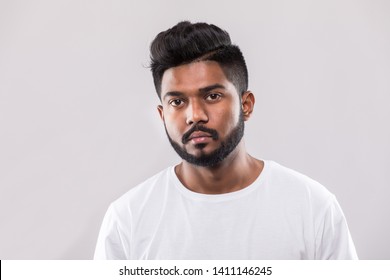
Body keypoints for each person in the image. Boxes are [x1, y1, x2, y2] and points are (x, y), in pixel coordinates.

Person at [94, 21, 358, 260]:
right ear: (162, 115)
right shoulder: (127, 219)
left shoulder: (312, 207)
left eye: (212, 96)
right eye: (177, 101)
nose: (194, 115)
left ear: (246, 105)